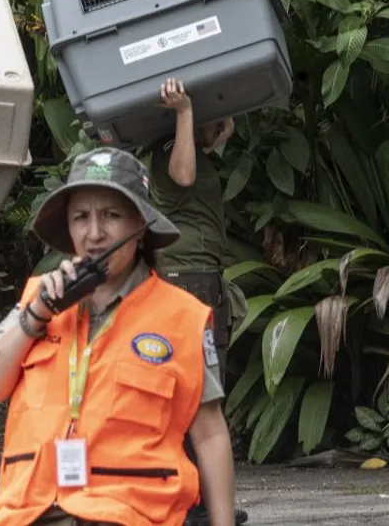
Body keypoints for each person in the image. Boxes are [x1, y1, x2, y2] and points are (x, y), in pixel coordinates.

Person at [0, 147, 237, 526]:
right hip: (29, 513)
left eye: (111, 215)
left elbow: (209, 434)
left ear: (140, 228)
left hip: (130, 514)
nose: (94, 233)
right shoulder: (39, 298)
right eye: (81, 217)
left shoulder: (183, 316)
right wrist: (37, 314)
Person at [142, 77, 247, 526]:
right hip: (187, 285)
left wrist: (215, 122)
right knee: (196, 398)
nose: (222, 125)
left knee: (201, 393)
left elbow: (216, 140)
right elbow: (183, 175)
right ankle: (194, 506)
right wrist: (185, 111)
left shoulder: (197, 151)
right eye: (214, 117)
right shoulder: (171, 150)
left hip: (199, 283)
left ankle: (199, 501)